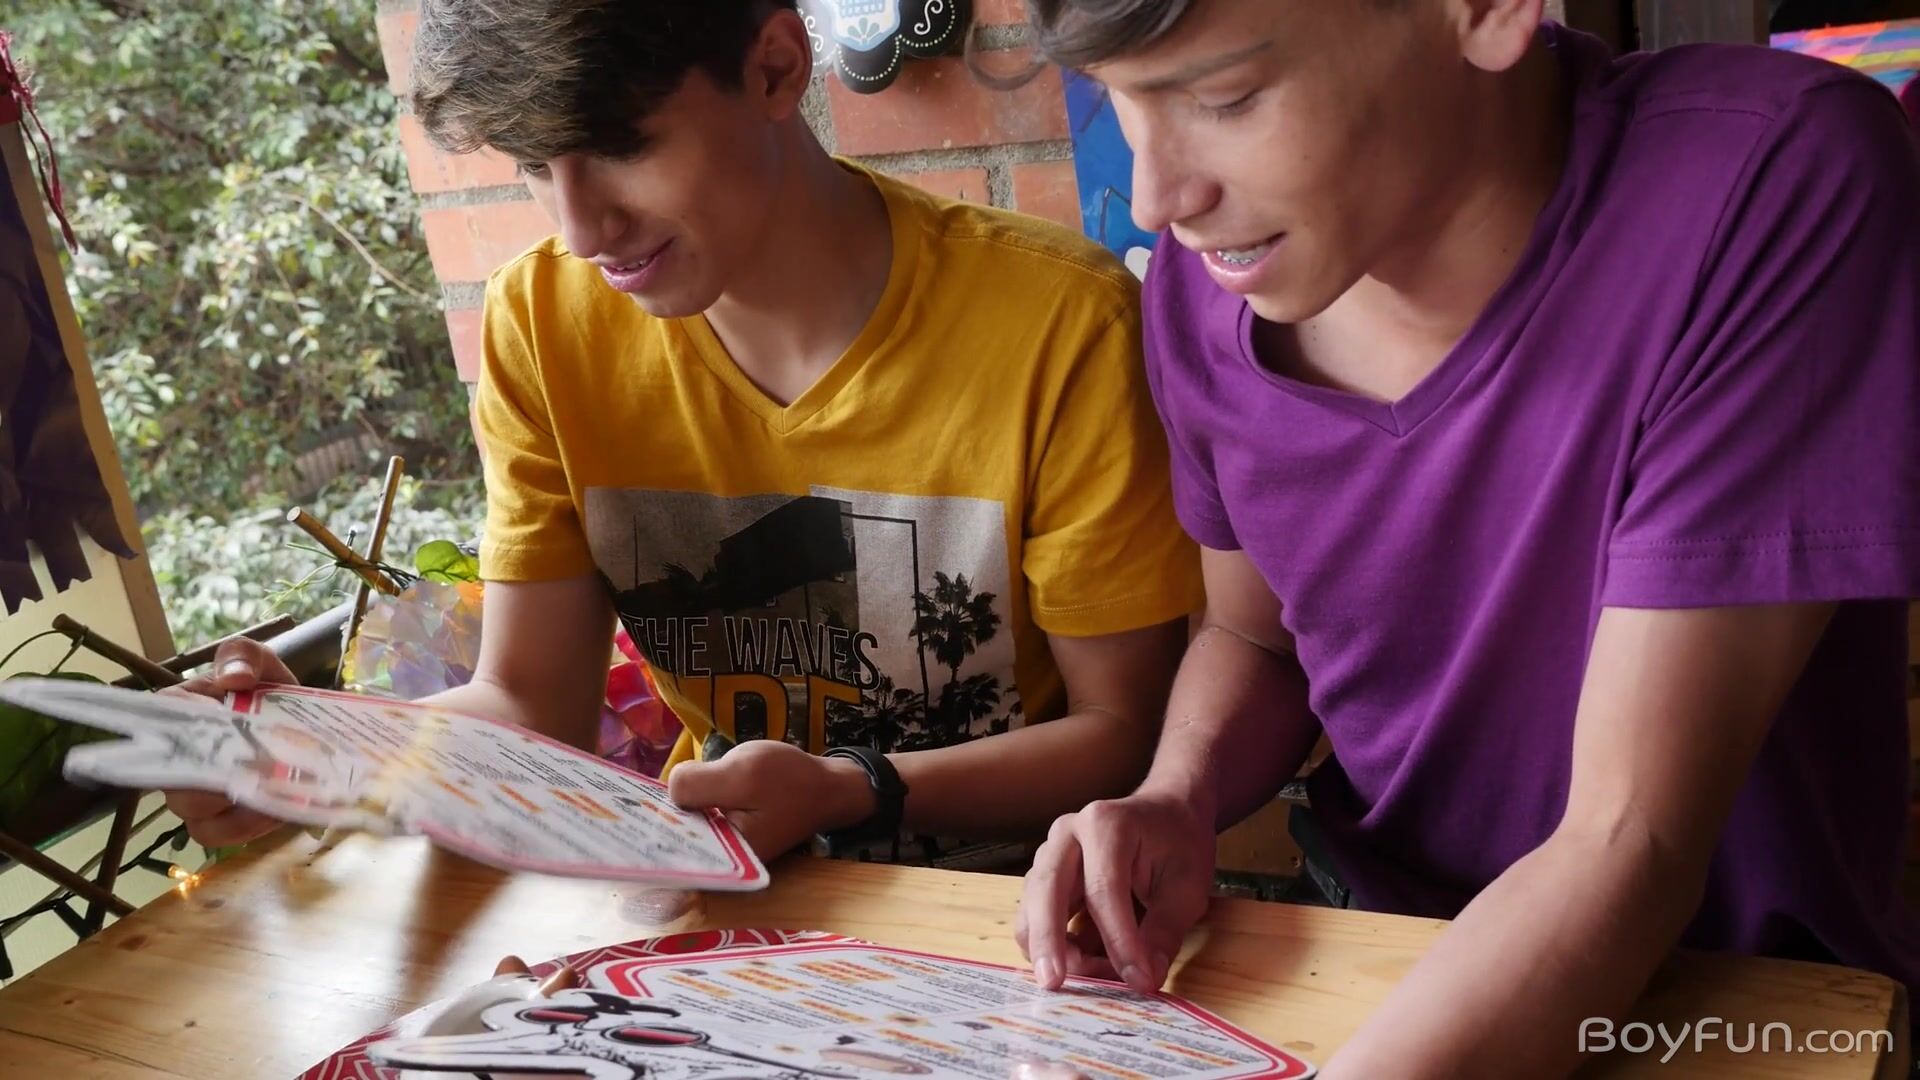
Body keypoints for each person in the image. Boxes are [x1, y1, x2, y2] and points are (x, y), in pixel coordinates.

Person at [1011, 1, 1920, 1076]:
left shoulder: (1764, 180)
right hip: (1371, 956)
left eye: (1226, 98)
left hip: (1733, 1011)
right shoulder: (1201, 288)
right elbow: (1256, 640)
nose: (1160, 200)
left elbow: (1628, 839)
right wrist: (1180, 796)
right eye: (1121, 101)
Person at [165, 0, 1203, 869]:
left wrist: (849, 790)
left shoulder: (1058, 322)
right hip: (717, 912)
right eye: (534, 165)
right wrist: (328, 752)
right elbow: (530, 704)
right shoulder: (543, 322)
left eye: (623, 146)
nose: (581, 228)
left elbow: (1121, 736)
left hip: (1020, 916)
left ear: (775, 67)